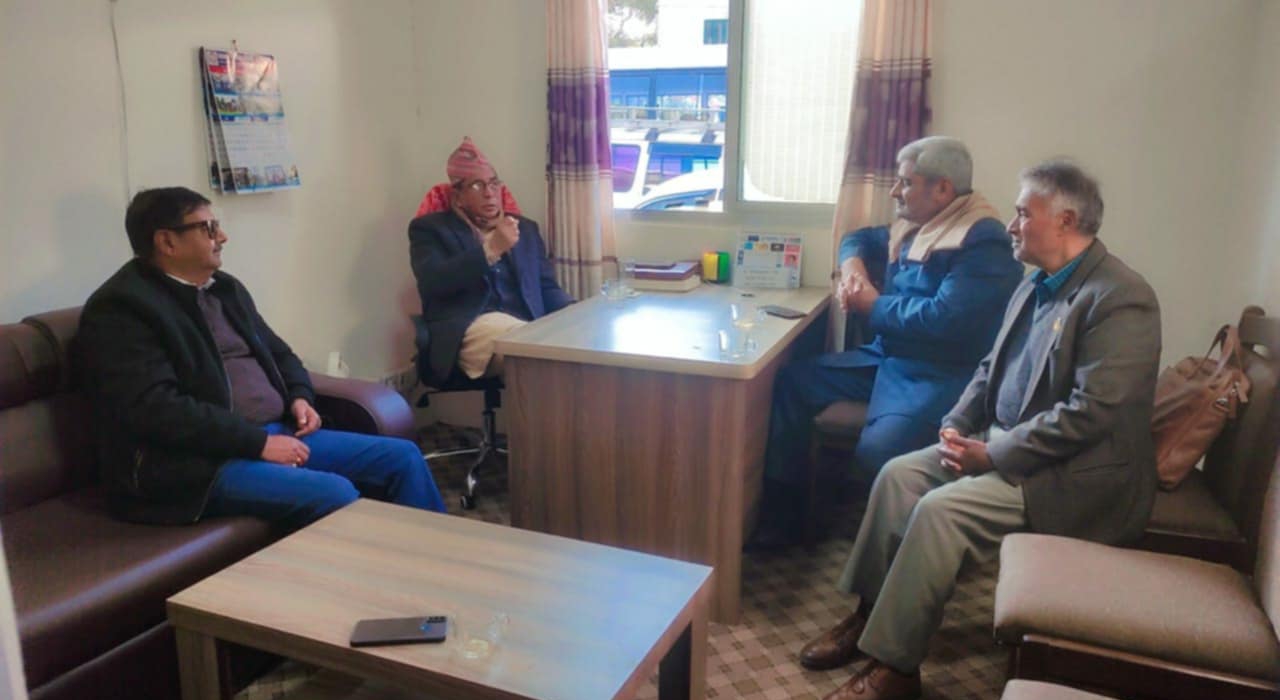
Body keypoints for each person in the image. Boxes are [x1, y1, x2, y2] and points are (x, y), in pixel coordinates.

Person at [801, 161, 1161, 700]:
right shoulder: (1034, 285)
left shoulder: (1119, 298)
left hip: (1068, 476)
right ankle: (869, 616)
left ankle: (895, 668)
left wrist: (993, 455)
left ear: (1065, 221)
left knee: (939, 513)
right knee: (898, 477)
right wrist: (956, 423)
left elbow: (1092, 413)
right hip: (1001, 443)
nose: (1012, 226)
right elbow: (990, 368)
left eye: (1023, 214)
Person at [78, 187, 446, 528]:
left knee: (402, 459)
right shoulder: (122, 308)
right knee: (335, 494)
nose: (222, 237)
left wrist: (300, 396)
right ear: (167, 241)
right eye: (208, 228)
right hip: (195, 463)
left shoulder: (225, 289)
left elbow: (280, 353)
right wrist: (258, 444)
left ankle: (436, 563)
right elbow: (158, 410)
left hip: (272, 432)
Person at [756, 136, 1023, 545]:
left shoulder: (983, 242)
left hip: (937, 372)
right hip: (887, 355)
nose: (896, 191)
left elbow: (945, 318)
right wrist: (854, 271)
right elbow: (857, 239)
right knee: (794, 382)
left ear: (942, 189)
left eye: (906, 183)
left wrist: (872, 305)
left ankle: (893, 544)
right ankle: (786, 518)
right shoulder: (916, 226)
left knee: (878, 451)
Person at [408, 137, 572, 385]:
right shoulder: (430, 229)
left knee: (570, 351)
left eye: (494, 184)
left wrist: (575, 313)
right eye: (477, 186)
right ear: (458, 196)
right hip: (470, 326)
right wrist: (491, 249)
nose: (489, 193)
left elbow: (546, 287)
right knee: (531, 354)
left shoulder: (525, 228)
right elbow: (433, 282)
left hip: (526, 325)